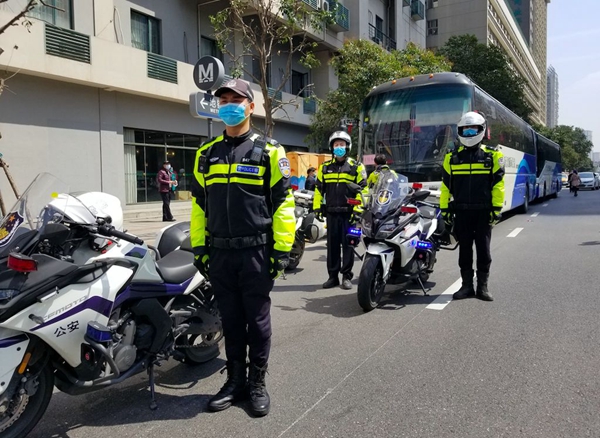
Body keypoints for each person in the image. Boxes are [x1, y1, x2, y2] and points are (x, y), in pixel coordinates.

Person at [190, 78, 295, 417]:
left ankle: (257, 383)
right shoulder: (206, 154)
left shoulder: (270, 152)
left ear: (251, 106)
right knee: (231, 322)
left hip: (256, 254)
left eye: (236, 100)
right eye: (223, 101)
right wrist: (199, 248)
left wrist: (281, 251)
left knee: (257, 322)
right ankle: (235, 382)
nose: (229, 106)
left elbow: (284, 204)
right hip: (220, 253)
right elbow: (199, 206)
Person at [440, 111, 505, 302]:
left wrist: (496, 209)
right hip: (461, 212)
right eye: (465, 130)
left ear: (482, 130)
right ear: (459, 131)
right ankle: (466, 286)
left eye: (472, 130)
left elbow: (498, 185)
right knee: (464, 251)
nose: (469, 134)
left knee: (484, 251)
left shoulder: (492, 156)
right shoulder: (451, 158)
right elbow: (445, 187)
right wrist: (445, 210)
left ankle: (482, 287)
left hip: (483, 212)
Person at [313, 130, 367, 290]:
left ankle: (346, 276)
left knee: (348, 246)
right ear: (331, 147)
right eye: (336, 145)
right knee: (332, 247)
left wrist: (358, 210)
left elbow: (363, 190)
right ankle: (333, 277)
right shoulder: (324, 168)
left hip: (349, 214)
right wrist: (317, 207)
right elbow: (318, 189)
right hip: (331, 213)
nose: (338, 147)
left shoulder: (356, 167)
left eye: (341, 144)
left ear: (347, 146)